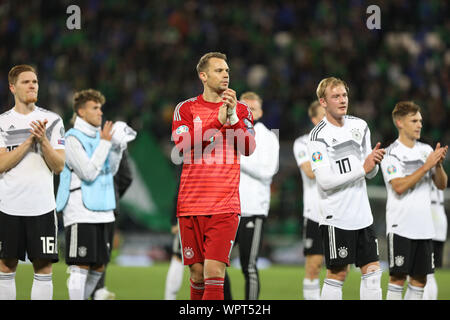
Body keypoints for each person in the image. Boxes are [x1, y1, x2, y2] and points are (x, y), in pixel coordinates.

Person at [171, 52, 256, 300]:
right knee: (196, 274)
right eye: (219, 70)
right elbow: (182, 146)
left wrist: (232, 118)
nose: (226, 74)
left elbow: (249, 148)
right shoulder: (185, 108)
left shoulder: (241, 109)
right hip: (190, 205)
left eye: (227, 70)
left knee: (213, 270)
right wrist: (217, 122)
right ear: (203, 76)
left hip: (224, 205)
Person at [306, 77, 386, 300]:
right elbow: (324, 181)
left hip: (363, 214)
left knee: (372, 272)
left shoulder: (360, 126)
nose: (342, 100)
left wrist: (372, 165)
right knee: (338, 273)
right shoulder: (317, 136)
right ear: (323, 102)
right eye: (336, 96)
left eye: (344, 95)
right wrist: (363, 168)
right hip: (336, 216)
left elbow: (370, 173)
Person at [0, 64, 65, 300]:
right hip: (8, 207)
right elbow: (0, 164)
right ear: (12, 87)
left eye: (35, 82)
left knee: (44, 269)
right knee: (6, 267)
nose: (32, 86)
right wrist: (28, 142)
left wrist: (43, 141)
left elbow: (59, 166)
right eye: (26, 82)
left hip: (42, 208)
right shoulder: (3, 122)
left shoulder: (53, 120)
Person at [55, 89, 126, 300]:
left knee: (99, 266)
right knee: (80, 265)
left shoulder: (100, 137)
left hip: (104, 209)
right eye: (94, 108)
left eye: (101, 108)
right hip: (80, 210)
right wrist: (105, 143)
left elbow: (109, 171)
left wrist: (117, 149)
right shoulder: (71, 138)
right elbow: (87, 173)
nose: (100, 112)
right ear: (81, 112)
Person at [381, 101, 448, 300]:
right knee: (398, 279)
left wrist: (438, 166)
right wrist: (427, 166)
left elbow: (442, 185)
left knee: (420, 280)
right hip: (400, 226)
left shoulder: (426, 150)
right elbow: (399, 187)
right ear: (399, 122)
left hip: (425, 227)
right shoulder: (391, 153)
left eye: (420, 120)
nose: (419, 124)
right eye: (414, 120)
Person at [235, 91, 279, 300]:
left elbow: (268, 170)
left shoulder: (268, 138)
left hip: (252, 209)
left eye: (253, 108)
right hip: (227, 209)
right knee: (214, 264)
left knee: (249, 266)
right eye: (245, 108)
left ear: (260, 112)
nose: (249, 112)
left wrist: (237, 159)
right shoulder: (229, 134)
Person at [293, 101, 326, 300]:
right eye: (323, 115)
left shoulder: (340, 140)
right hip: (315, 213)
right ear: (314, 119)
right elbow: (310, 172)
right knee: (314, 266)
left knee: (342, 269)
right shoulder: (302, 142)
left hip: (340, 213)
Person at [92, 149, 133, 300]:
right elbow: (127, 177)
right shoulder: (117, 141)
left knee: (83, 255)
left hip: (82, 203)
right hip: (109, 204)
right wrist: (114, 193)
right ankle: (98, 289)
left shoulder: (78, 137)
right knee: (103, 251)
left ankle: (87, 288)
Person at [423, 184, 447, 300]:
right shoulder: (438, 173)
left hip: (429, 222)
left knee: (423, 273)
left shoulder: (425, 172)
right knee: (430, 274)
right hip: (441, 224)